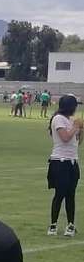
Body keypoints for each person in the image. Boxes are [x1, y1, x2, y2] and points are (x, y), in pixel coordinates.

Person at [47, 94, 80, 237]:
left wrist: (81, 129)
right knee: (60, 194)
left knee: (70, 195)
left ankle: (71, 225)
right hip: (60, 161)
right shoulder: (58, 119)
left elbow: (76, 141)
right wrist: (75, 126)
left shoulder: (71, 120)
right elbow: (65, 138)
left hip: (72, 161)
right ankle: (53, 225)